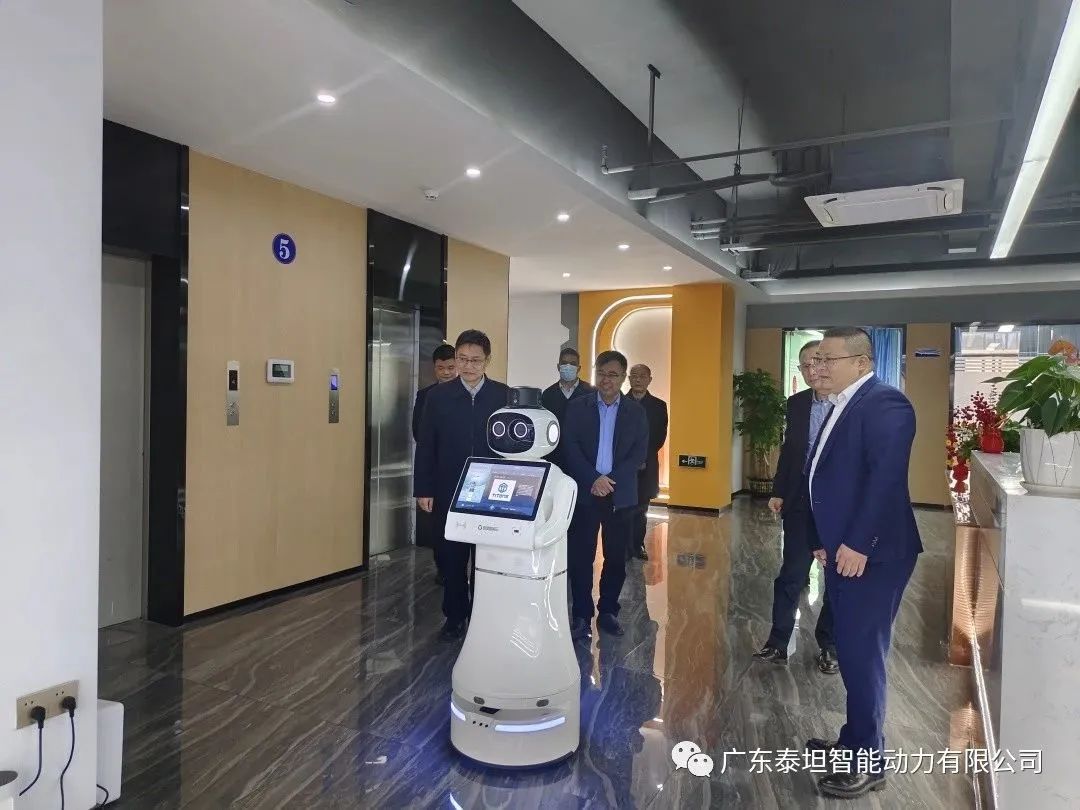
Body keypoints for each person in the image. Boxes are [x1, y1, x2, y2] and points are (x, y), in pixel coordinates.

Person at [804, 326, 923, 800]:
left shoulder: (885, 404)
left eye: (827, 359)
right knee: (852, 654)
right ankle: (852, 741)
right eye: (816, 359)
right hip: (842, 550)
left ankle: (868, 761)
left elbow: (885, 480)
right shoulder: (841, 403)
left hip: (872, 555)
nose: (818, 367)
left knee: (862, 657)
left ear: (861, 362)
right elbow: (828, 479)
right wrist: (823, 540)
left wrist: (858, 543)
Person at [414, 330, 509, 641]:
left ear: (487, 361)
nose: (468, 366)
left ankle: (482, 616)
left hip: (490, 489)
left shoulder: (502, 396)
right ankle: (454, 617)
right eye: (462, 359)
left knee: (486, 557)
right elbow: (426, 445)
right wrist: (424, 488)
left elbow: (511, 446)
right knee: (452, 556)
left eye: (475, 360)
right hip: (449, 486)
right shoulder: (438, 397)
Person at [754, 341, 837, 674]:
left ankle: (829, 645)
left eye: (817, 361)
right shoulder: (797, 403)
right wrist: (779, 490)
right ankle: (777, 641)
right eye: (805, 365)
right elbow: (790, 451)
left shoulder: (848, 403)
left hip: (837, 506)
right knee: (791, 574)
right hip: (800, 502)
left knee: (835, 579)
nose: (811, 369)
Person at [561, 350, 648, 640]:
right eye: (601, 373)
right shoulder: (578, 407)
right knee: (580, 556)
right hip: (586, 493)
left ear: (623, 378)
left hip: (619, 495)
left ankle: (608, 610)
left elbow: (639, 453)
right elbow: (570, 447)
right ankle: (581, 614)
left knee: (616, 557)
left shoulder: (636, 412)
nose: (606, 379)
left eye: (613, 374)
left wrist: (609, 481)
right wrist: (592, 479)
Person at [412, 343, 457, 586]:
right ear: (434, 368)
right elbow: (419, 433)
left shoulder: (466, 394)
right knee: (440, 527)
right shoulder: (425, 396)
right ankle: (443, 569)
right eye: (441, 368)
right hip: (438, 471)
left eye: (450, 367)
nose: (446, 372)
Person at [626, 364, 667, 562]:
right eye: (634, 376)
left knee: (642, 508)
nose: (638, 379)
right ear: (628, 379)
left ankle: (638, 544)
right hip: (623, 466)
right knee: (624, 508)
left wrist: (642, 458)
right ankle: (624, 546)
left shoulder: (659, 406)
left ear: (649, 379)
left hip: (646, 465)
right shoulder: (619, 402)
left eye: (642, 376)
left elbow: (659, 437)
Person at [540, 348, 595, 466]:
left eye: (573, 364)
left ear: (579, 368)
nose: (568, 366)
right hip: (555, 457)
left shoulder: (591, 393)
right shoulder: (548, 394)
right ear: (558, 367)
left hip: (584, 457)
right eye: (564, 363)